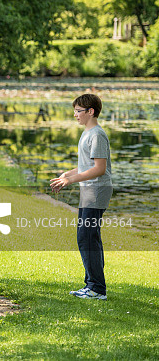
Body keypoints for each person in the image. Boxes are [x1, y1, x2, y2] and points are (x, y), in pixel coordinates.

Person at [50, 93, 112, 300]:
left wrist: (70, 181)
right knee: (88, 237)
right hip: (89, 190)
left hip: (97, 190)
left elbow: (99, 169)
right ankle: (92, 285)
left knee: (87, 237)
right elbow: (87, 165)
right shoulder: (87, 133)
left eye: (78, 111)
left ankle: (96, 289)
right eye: (75, 111)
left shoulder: (97, 135)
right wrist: (67, 174)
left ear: (90, 111)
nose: (75, 115)